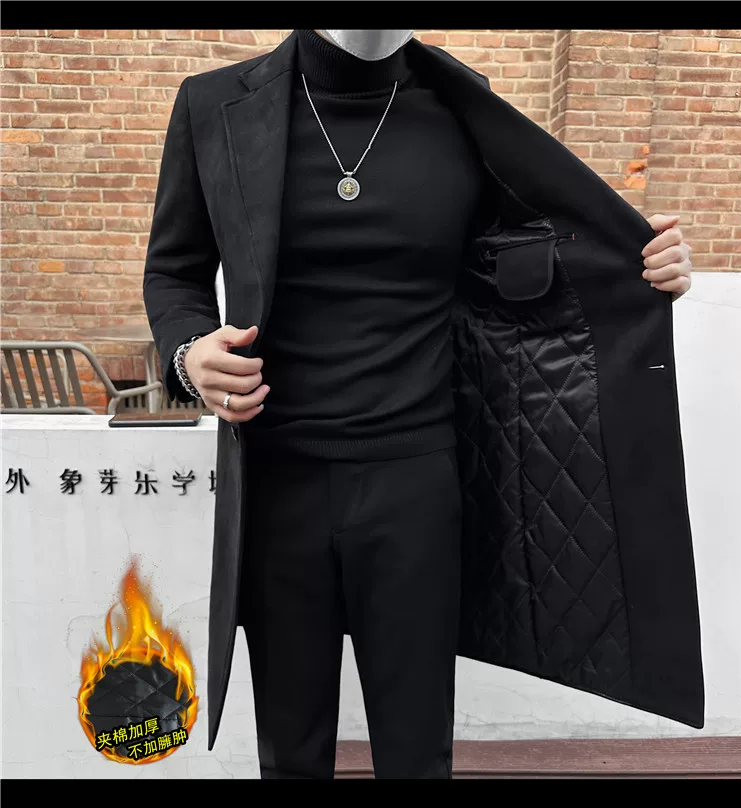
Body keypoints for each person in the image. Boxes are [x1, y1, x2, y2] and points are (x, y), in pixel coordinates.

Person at [143, 30, 702, 779]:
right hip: (276, 481)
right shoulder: (214, 104)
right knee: (290, 747)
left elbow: (535, 255)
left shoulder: (460, 107)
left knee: (416, 750)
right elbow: (174, 271)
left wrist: (641, 261)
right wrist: (188, 355)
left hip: (415, 480)